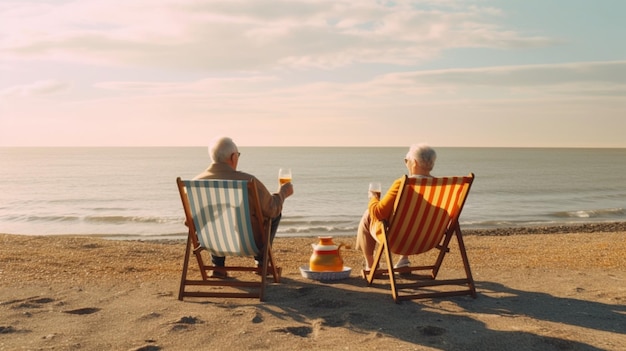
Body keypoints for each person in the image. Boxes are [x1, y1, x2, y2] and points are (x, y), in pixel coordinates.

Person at [194, 136, 294, 278]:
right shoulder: (248, 182)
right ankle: (261, 264)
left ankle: (218, 266)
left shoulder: (195, 183)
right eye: (238, 155)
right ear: (233, 157)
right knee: (275, 215)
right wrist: (283, 192)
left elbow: (190, 221)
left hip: (209, 243)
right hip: (248, 244)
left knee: (214, 218)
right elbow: (272, 208)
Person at [356, 143, 437, 272]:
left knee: (369, 213)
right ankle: (403, 260)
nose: (406, 163)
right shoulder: (440, 187)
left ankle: (372, 266)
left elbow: (378, 213)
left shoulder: (402, 184)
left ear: (414, 162)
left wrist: (373, 198)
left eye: (406, 161)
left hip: (396, 242)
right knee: (412, 215)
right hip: (428, 240)